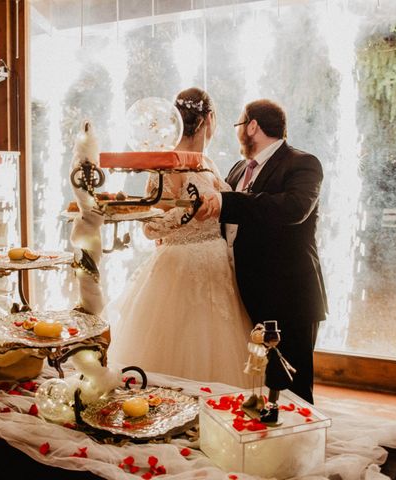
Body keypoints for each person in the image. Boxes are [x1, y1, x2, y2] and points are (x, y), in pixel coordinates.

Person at [107, 87, 253, 387]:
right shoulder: (165, 164)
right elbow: (150, 228)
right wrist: (187, 214)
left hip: (218, 267)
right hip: (181, 267)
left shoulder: (207, 162)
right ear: (208, 119)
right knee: (181, 342)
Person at [196, 99, 328, 404]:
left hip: (287, 296)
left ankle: (297, 446)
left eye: (239, 125)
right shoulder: (239, 168)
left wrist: (227, 202)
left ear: (252, 126)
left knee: (292, 385)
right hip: (244, 294)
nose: (238, 132)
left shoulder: (303, 163)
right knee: (256, 385)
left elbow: (294, 209)